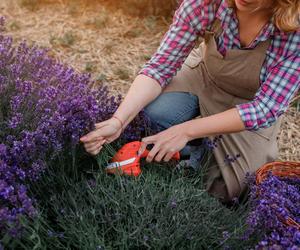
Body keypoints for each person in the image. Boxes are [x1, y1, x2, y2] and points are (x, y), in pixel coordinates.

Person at [80, 0, 299, 203]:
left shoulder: (294, 31)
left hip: (248, 104)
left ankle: (193, 150)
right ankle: (189, 150)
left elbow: (265, 109)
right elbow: (160, 67)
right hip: (204, 76)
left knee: (239, 187)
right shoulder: (205, 3)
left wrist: (186, 131)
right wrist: (118, 121)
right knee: (154, 114)